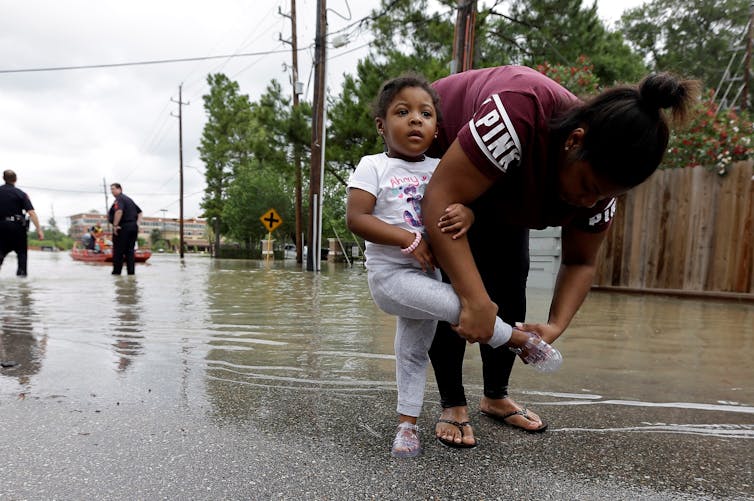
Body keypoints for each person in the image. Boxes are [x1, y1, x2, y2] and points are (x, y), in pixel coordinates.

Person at [420, 66, 700, 447]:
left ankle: (495, 395)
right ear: (574, 141)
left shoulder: (600, 193)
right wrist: (473, 298)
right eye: (588, 186)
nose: (590, 201)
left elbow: (580, 263)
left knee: (511, 277)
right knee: (453, 289)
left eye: (603, 195)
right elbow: (440, 198)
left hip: (507, 183)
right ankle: (453, 403)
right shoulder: (518, 114)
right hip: (444, 155)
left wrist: (555, 324)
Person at [346, 74, 561, 458]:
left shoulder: (440, 167)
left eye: (425, 114)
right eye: (402, 112)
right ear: (381, 125)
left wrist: (468, 214)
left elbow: (462, 203)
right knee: (462, 305)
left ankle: (406, 427)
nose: (415, 120)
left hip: (428, 275)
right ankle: (517, 340)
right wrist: (408, 239)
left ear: (436, 128)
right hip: (392, 277)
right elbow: (357, 219)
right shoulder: (372, 167)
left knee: (412, 350)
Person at [0, 170, 44, 276]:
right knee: (22, 255)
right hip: (18, 229)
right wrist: (39, 229)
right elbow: (31, 213)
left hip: (1, 229)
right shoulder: (21, 194)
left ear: (3, 178)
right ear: (15, 180)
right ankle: (22, 285)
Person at [108, 183, 142, 275]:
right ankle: (131, 274)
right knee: (130, 252)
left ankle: (116, 274)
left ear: (120, 189)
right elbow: (140, 212)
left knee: (118, 252)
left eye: (113, 189)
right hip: (132, 228)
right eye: (111, 189)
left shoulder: (120, 199)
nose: (112, 191)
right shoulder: (128, 199)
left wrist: (115, 226)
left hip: (123, 228)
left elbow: (119, 211)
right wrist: (136, 225)